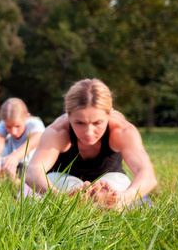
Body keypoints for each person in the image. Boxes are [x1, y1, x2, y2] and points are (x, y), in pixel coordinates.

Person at [24, 78, 157, 209]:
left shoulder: (122, 131)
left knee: (115, 190)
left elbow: (147, 175)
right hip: (65, 181)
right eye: (79, 123)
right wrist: (60, 198)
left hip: (109, 181)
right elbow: (33, 172)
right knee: (59, 186)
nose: (88, 132)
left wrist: (123, 198)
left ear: (109, 113)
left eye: (97, 123)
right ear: (68, 114)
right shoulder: (57, 131)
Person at [0, 98, 45, 181]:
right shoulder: (1, 126)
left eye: (17, 126)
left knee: (26, 176)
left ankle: (15, 182)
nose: (13, 131)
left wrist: (14, 157)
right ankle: (3, 181)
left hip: (30, 165)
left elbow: (30, 145)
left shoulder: (35, 125)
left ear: (27, 117)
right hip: (11, 165)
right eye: (8, 127)